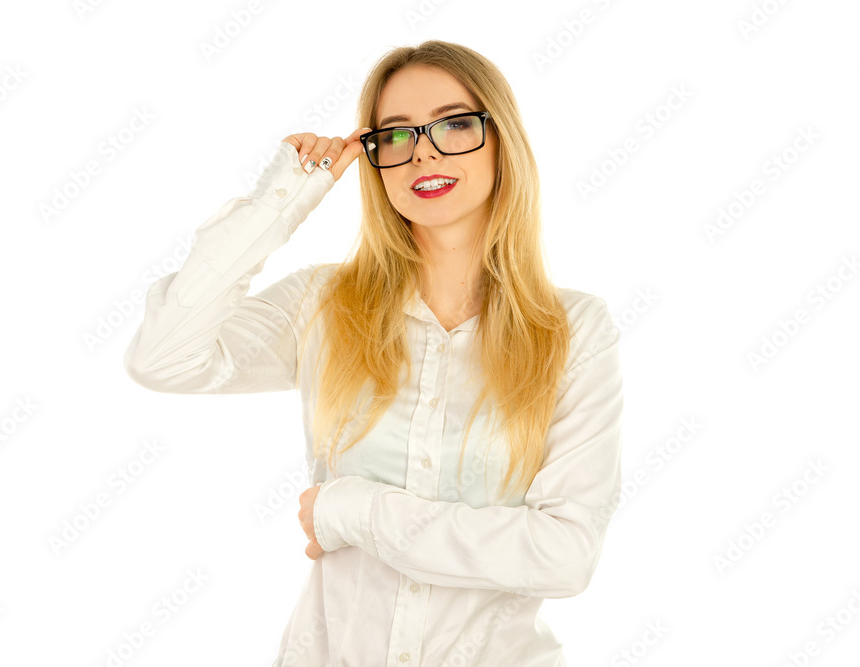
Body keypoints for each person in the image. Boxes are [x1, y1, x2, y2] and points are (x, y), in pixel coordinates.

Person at [123, 39, 623, 667]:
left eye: (455, 124)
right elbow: (162, 357)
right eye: (396, 136)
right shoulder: (322, 306)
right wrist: (280, 202)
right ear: (375, 160)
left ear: (501, 140)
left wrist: (351, 510)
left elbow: (563, 555)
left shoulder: (573, 330)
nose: (425, 152)